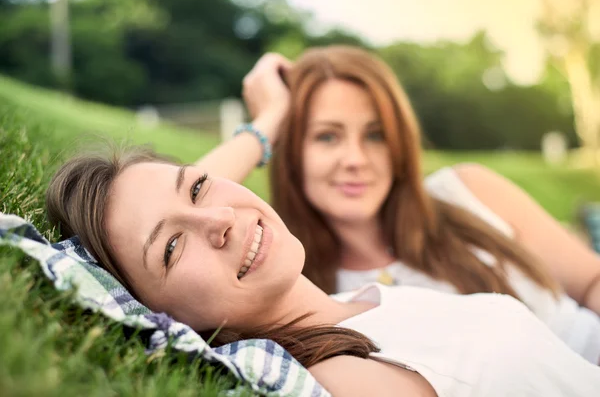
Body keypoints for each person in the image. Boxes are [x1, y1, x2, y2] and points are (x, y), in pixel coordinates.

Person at [45, 145, 600, 396]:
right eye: (170, 249)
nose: (217, 218)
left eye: (196, 185)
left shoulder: (367, 301)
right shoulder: (338, 376)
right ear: (159, 314)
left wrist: (259, 132)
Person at [188, 46, 600, 363]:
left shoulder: (465, 190)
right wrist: (268, 122)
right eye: (327, 137)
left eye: (375, 135)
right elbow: (169, 228)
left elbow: (592, 282)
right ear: (290, 151)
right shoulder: (300, 288)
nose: (355, 159)